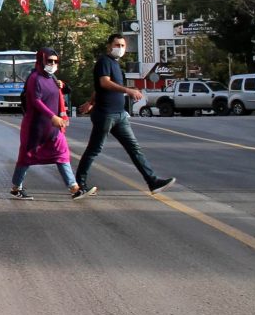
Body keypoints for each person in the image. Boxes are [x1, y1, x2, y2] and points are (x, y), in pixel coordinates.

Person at [73, 32, 174, 196]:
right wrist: (128, 90)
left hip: (119, 115)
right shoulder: (104, 61)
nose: (119, 48)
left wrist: (90, 102)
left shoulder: (115, 64)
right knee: (94, 149)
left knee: (134, 148)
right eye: (116, 45)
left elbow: (98, 89)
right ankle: (79, 185)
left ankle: (153, 181)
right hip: (105, 114)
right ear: (109, 46)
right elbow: (104, 83)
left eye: (122, 46)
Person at [10, 48, 85, 199]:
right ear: (41, 60)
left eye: (55, 61)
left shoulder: (52, 78)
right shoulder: (34, 78)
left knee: (62, 154)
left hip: (52, 128)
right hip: (35, 128)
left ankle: (74, 188)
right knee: (27, 157)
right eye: (49, 61)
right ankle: (16, 187)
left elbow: (63, 93)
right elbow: (35, 101)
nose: (52, 64)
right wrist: (52, 116)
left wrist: (62, 87)